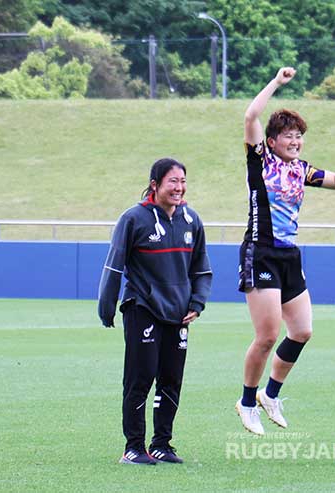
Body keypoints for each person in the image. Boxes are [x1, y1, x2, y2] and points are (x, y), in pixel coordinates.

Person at [236, 67, 335, 435]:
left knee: (301, 330)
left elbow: (332, 179)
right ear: (273, 140)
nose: (296, 142)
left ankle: (271, 394)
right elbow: (250, 116)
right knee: (266, 335)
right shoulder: (260, 160)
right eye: (289, 136)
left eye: (299, 137)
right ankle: (247, 402)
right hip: (260, 252)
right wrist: (277, 83)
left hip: (288, 255)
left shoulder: (301, 170)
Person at [98, 158, 213, 464]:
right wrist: (106, 304)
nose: (179, 187)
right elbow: (114, 263)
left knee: (171, 379)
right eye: (172, 181)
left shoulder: (192, 220)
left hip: (179, 314)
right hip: (143, 308)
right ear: (155, 185)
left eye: (183, 181)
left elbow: (201, 269)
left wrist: (196, 303)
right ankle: (133, 447)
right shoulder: (133, 219)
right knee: (140, 378)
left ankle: (162, 443)